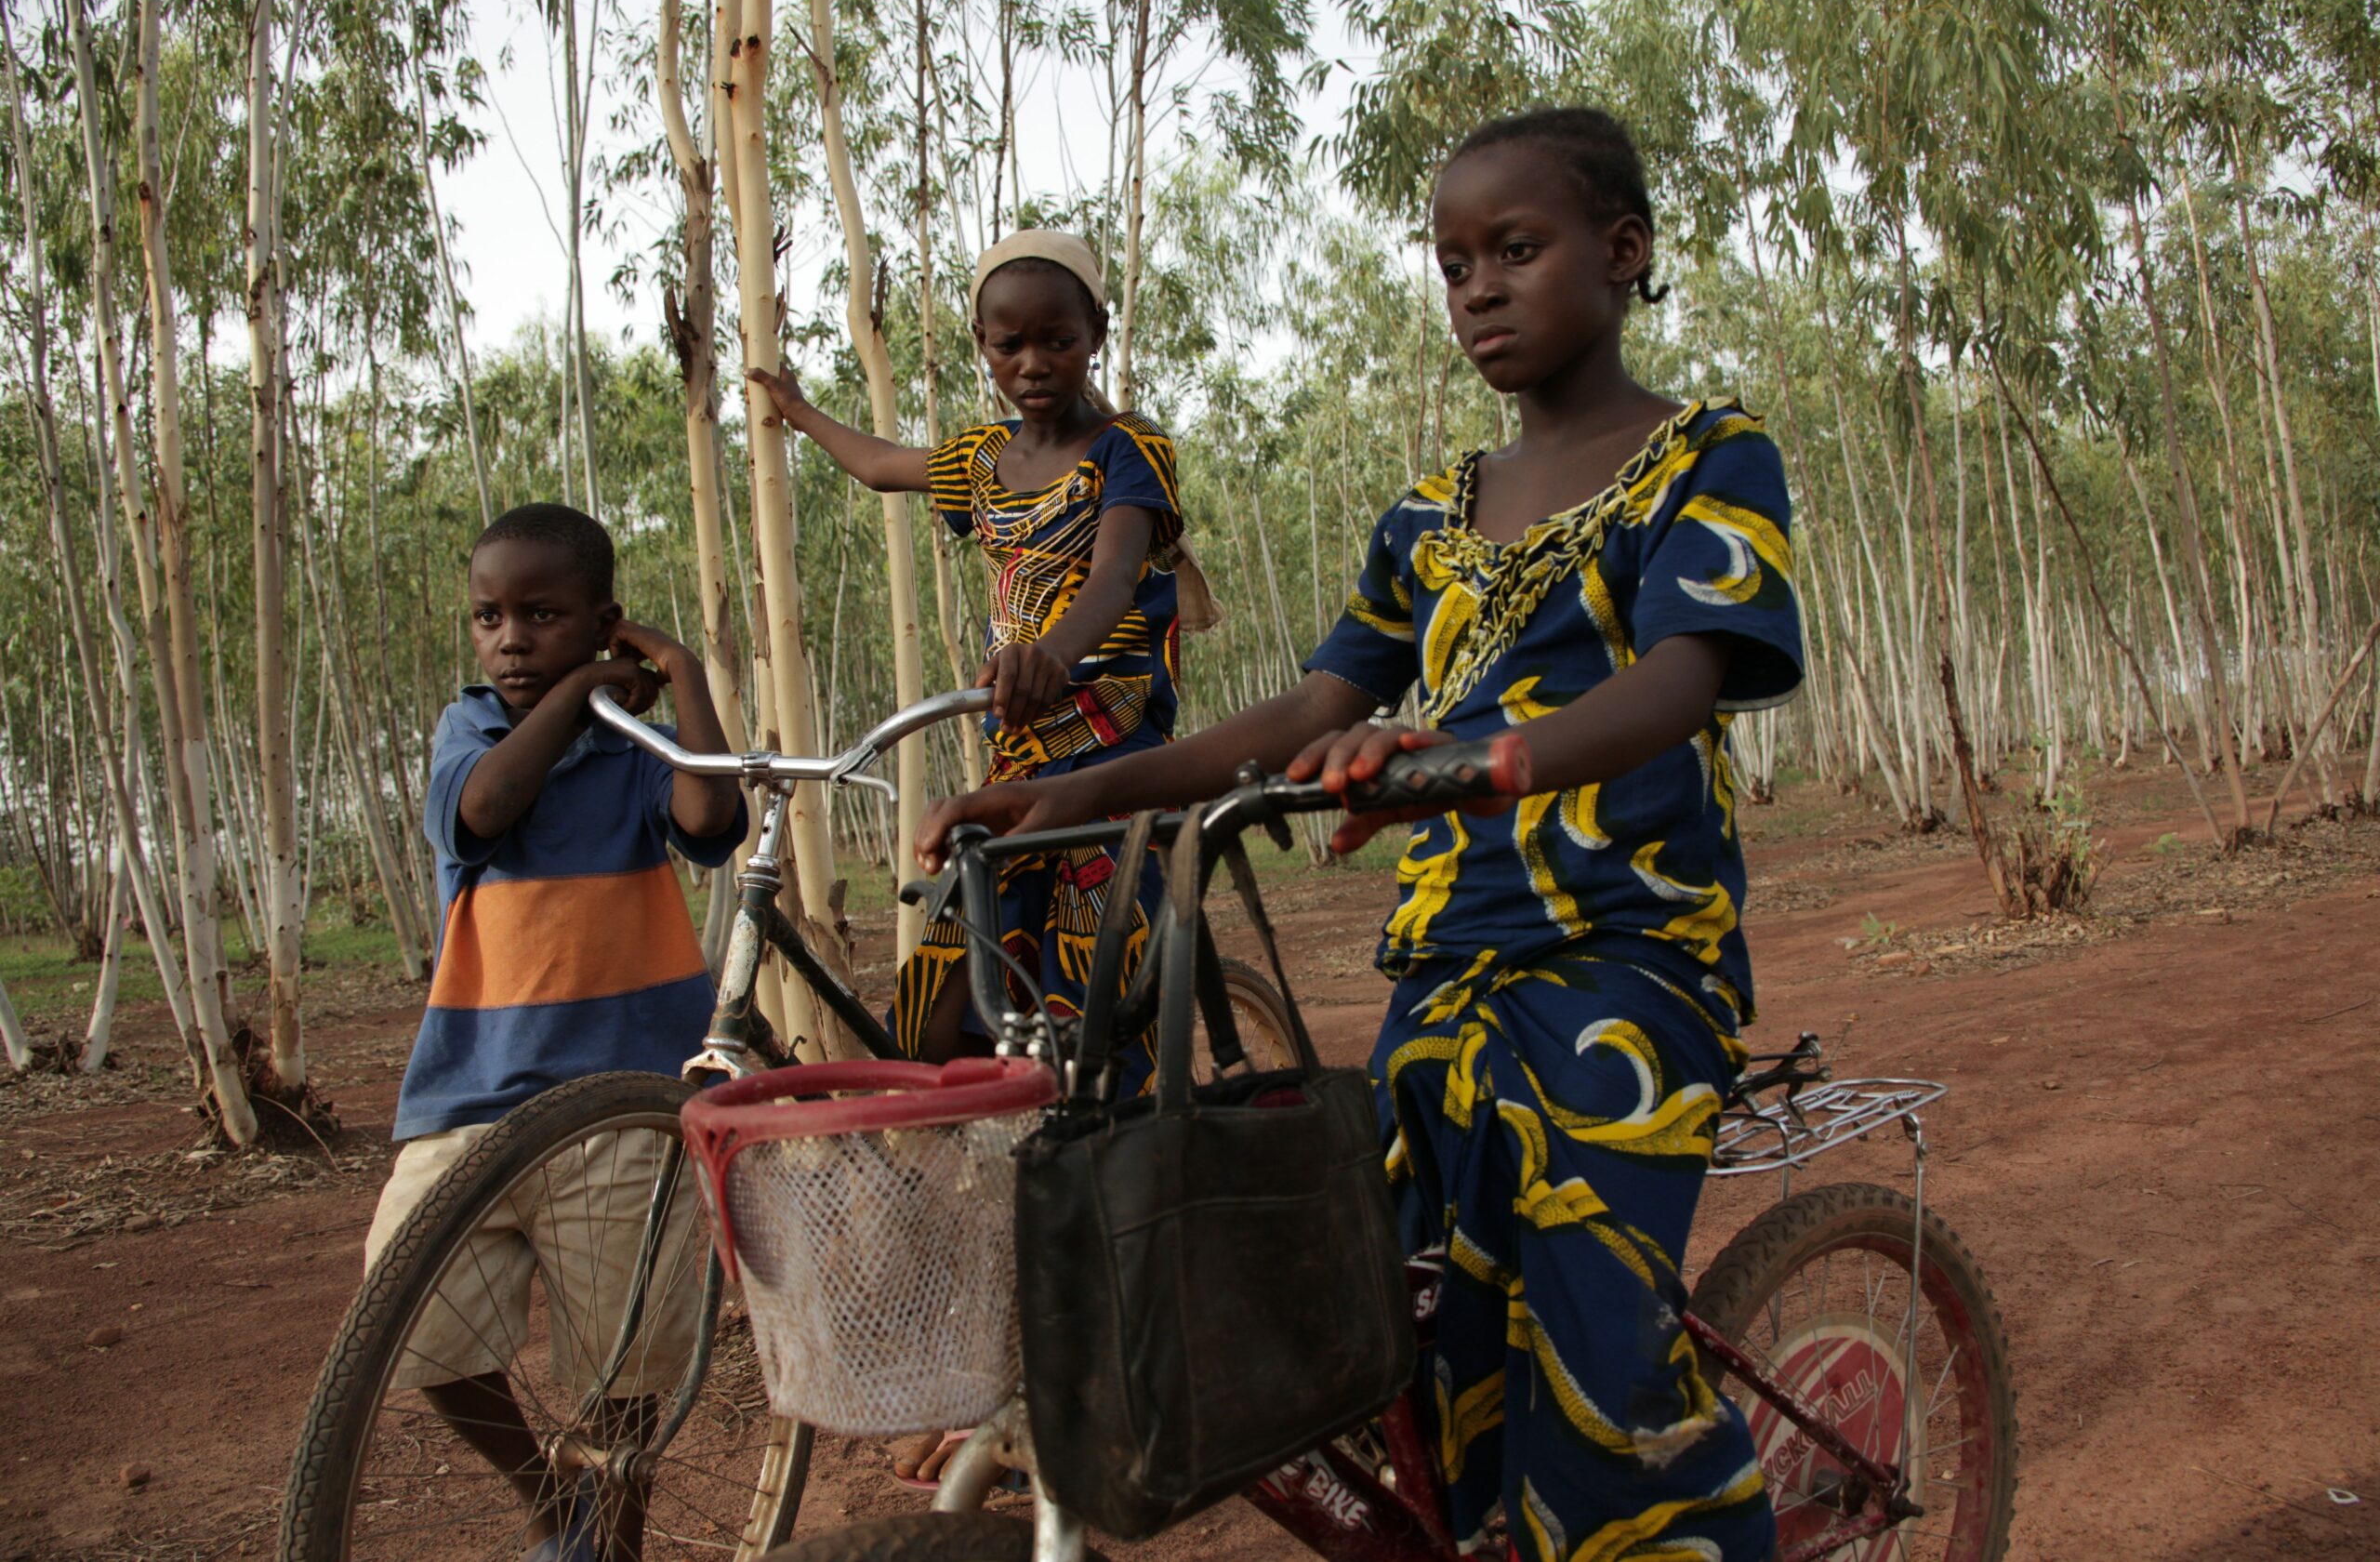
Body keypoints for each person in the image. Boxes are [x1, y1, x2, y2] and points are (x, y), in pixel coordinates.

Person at [918, 109, 1797, 1560]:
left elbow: (1679, 681)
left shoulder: (1707, 455)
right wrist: (1075, 792)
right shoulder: (1429, 515)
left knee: (1601, 1362)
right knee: (1415, 1335)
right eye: (1454, 263)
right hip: (1448, 968)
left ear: (1625, 253)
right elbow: (1314, 702)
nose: (1481, 289)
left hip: (1626, 964)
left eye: (1518, 249)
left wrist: (1469, 762)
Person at [363, 502, 746, 1562]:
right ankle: (550, 1503)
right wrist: (579, 694)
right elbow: (484, 811)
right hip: (471, 1098)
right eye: (489, 616)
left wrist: (685, 677)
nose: (511, 638)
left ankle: (609, 1538)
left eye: (542, 614)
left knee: (620, 1365)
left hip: (623, 1100)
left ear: (604, 621)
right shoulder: (469, 733)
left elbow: (713, 823)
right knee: (411, 1328)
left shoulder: (636, 754)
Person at [746, 230, 1206, 1077]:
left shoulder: (1129, 449)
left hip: (1119, 744)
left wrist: (1050, 655)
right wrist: (800, 412)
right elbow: (884, 465)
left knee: (1091, 988)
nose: (1033, 362)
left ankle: (1122, 1157)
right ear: (982, 345)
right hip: (1017, 744)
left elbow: (1110, 580)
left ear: (1095, 334)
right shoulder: (983, 460)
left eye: (1058, 341)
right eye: (1010, 344)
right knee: (945, 991)